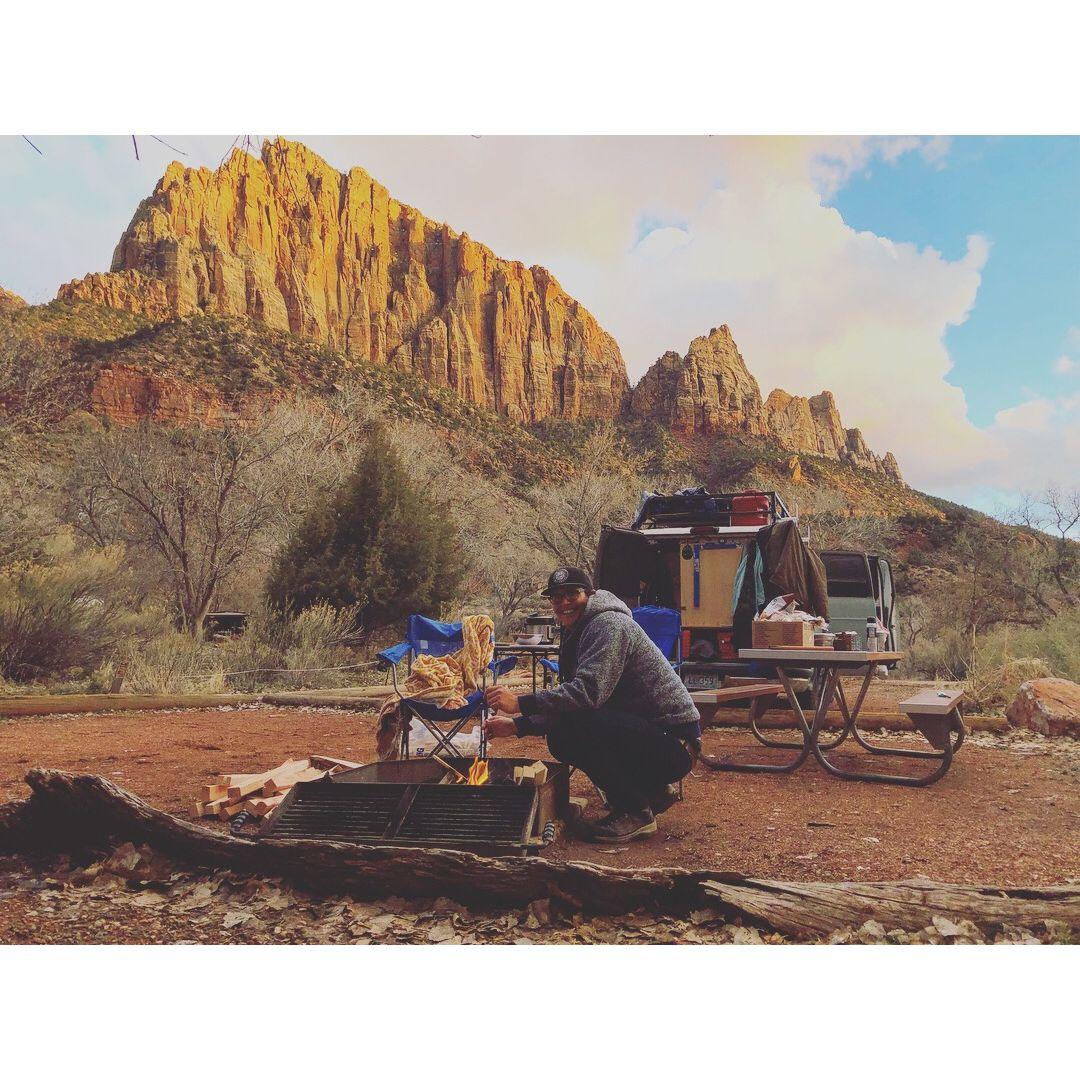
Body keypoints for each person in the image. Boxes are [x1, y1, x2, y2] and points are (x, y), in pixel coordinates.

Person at [484, 566, 701, 843]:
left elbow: (587, 695)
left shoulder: (608, 625)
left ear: (590, 595)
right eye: (556, 597)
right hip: (651, 735)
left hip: (675, 742)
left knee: (570, 732)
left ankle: (637, 812)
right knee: (568, 729)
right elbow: (571, 704)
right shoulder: (578, 629)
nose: (564, 603)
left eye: (572, 594)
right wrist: (518, 726)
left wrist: (521, 704)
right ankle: (653, 791)